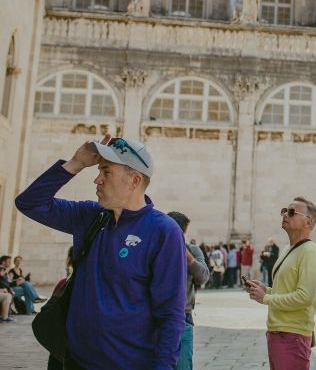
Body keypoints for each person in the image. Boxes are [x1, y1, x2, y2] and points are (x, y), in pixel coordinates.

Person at [15, 135, 186, 370]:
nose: (96, 179)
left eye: (106, 172)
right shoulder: (89, 216)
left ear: (134, 180)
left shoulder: (163, 231)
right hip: (73, 361)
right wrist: (75, 163)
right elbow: (29, 203)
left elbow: (171, 313)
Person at [245, 197, 316, 370]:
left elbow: (305, 297)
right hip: (278, 331)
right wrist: (267, 290)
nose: (284, 215)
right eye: (284, 211)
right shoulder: (289, 249)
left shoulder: (310, 252)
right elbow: (287, 289)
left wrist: (266, 298)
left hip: (293, 334)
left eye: (291, 212)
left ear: (307, 222)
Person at [168, 211, 210, 370]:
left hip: (183, 317)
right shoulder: (157, 248)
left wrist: (187, 256)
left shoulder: (192, 250)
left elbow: (203, 277)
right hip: (156, 318)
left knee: (183, 364)